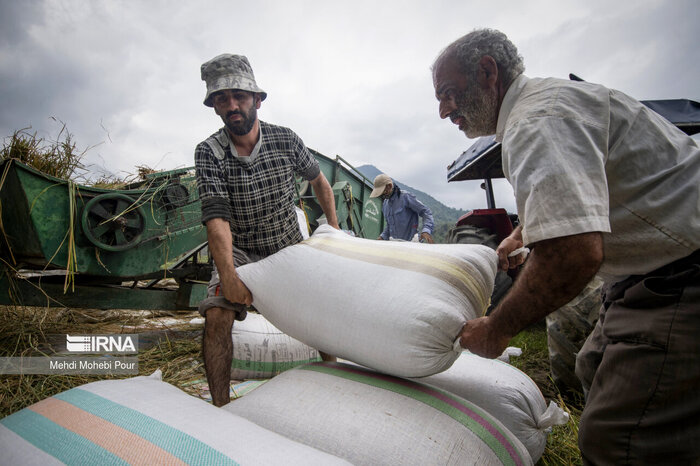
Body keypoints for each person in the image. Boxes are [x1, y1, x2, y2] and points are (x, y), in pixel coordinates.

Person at [432, 28, 700, 464]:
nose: (444, 111)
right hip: (643, 272)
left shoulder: (535, 124)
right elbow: (586, 195)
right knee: (590, 364)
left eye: (448, 94)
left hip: (681, 276)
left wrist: (496, 329)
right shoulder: (542, 108)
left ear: (486, 72)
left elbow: (573, 253)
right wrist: (523, 233)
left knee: (615, 441)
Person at [195, 53, 339, 407]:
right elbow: (217, 220)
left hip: (286, 245)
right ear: (214, 106)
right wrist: (228, 274)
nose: (232, 106)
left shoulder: (285, 140)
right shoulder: (209, 152)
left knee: (321, 308)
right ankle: (220, 408)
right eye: (222, 99)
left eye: (239, 97)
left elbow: (320, 182)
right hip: (239, 249)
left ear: (257, 100)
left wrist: (334, 232)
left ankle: (337, 383)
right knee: (216, 314)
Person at [370, 173, 435, 243]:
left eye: (383, 191)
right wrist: (382, 237)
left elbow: (426, 212)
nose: (382, 195)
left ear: (389, 186)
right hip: (395, 243)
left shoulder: (405, 197)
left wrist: (426, 230)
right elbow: (389, 227)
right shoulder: (385, 205)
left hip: (413, 242)